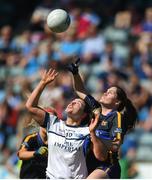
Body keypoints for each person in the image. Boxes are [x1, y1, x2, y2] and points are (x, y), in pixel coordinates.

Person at [25, 68, 107, 179]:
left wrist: (92, 133)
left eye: (78, 103)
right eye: (73, 101)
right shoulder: (53, 123)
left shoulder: (87, 131)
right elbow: (30, 106)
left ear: (83, 115)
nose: (72, 102)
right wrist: (43, 83)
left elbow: (101, 156)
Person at [67, 58, 138, 179]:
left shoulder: (117, 117)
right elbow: (79, 90)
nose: (105, 93)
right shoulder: (95, 109)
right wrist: (75, 73)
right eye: (106, 90)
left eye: (110, 93)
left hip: (106, 165)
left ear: (117, 102)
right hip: (87, 164)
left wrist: (94, 136)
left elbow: (116, 144)